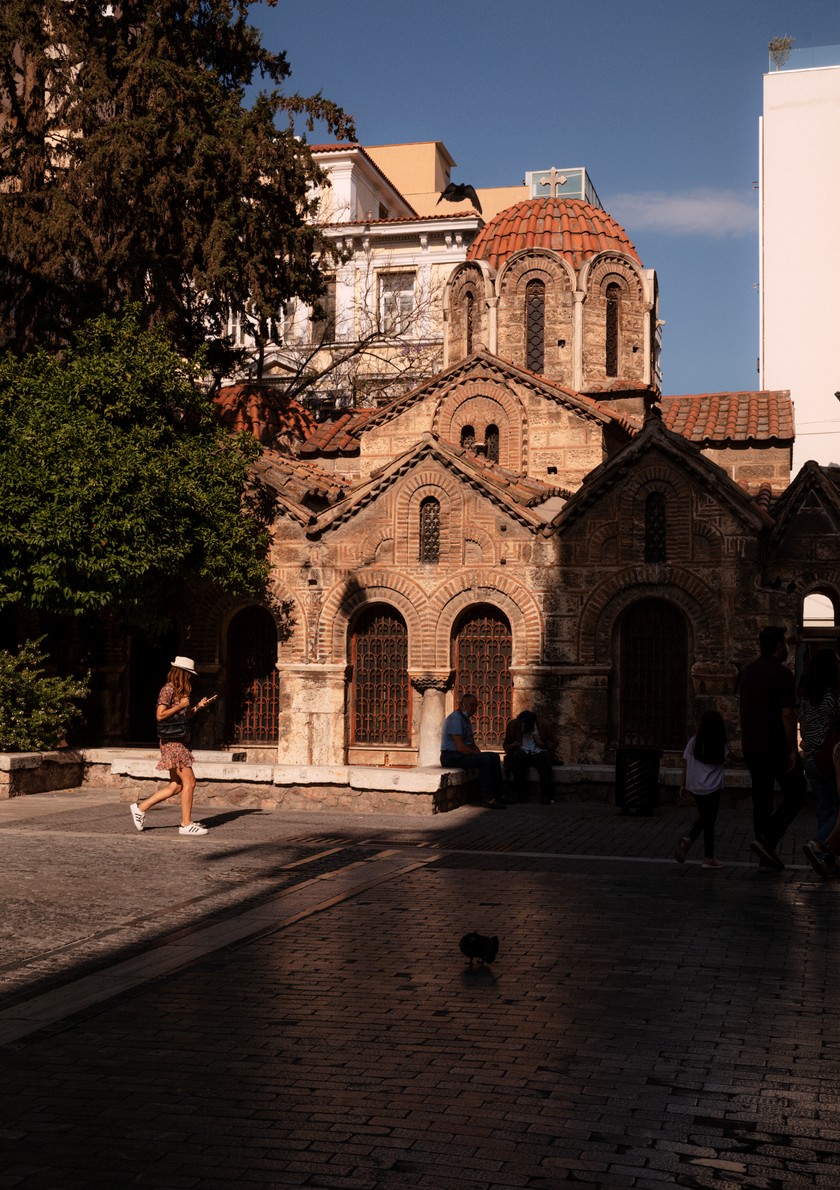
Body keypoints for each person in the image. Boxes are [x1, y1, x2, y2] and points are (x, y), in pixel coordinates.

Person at [738, 625, 805, 871]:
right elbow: (788, 714)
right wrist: (792, 749)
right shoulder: (782, 674)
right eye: (785, 643)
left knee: (761, 798)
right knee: (797, 792)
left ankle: (764, 851)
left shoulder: (748, 672)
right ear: (779, 646)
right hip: (774, 744)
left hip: (751, 745)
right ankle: (768, 839)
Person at [129, 655, 214, 836]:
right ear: (181, 673)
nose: (190, 677)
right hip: (173, 743)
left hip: (178, 740)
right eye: (188, 674)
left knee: (176, 786)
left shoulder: (179, 691)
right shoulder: (168, 689)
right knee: (190, 782)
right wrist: (179, 706)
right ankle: (186, 824)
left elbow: (180, 719)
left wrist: (197, 707)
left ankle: (140, 808)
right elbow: (160, 715)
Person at [797, 647, 840, 876]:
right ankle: (819, 844)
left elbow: (803, 729)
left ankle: (826, 859)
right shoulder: (832, 697)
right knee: (838, 809)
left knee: (824, 808)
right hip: (829, 759)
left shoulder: (806, 696)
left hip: (811, 759)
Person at [674, 710, 729, 869]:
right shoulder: (720, 744)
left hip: (696, 787)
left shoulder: (693, 742)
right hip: (713, 788)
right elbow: (731, 759)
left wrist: (682, 784)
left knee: (706, 819)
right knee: (709, 821)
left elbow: (686, 764)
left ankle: (698, 848)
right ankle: (706, 855)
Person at [440, 693, 506, 809]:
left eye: (476, 706)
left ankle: (498, 796)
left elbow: (472, 744)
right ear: (461, 705)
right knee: (484, 760)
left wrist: (478, 753)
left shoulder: (465, 720)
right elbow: (460, 747)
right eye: (472, 705)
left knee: (494, 757)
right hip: (451, 756)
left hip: (461, 754)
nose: (474, 709)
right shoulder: (455, 719)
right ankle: (488, 798)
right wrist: (478, 756)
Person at [503, 709, 556, 804]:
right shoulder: (513, 725)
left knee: (545, 757)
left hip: (538, 752)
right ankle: (521, 795)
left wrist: (542, 744)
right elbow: (506, 746)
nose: (525, 729)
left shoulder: (545, 725)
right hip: (522, 752)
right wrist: (513, 745)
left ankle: (546, 796)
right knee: (516, 756)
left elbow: (554, 744)